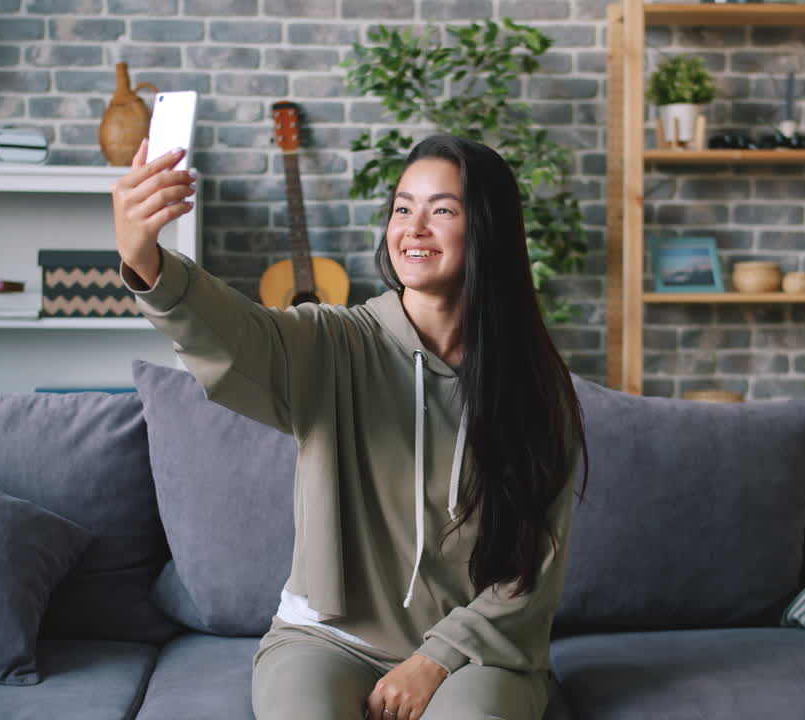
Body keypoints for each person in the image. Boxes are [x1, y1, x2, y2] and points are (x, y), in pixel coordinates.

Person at [113, 134, 587, 720]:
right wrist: (147, 261)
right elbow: (240, 334)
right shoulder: (335, 344)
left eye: (442, 209)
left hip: (474, 653)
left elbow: (534, 567)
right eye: (402, 208)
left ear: (488, 228)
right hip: (327, 640)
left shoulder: (536, 387)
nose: (413, 227)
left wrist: (435, 658)